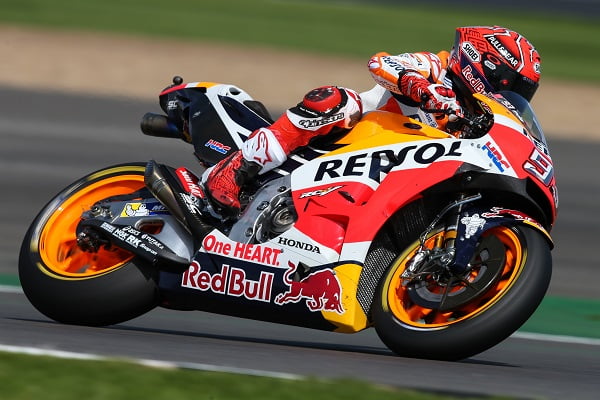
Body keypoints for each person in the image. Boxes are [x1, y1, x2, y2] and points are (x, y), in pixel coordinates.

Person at [203, 25, 541, 215]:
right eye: (509, 84)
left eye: (521, 93)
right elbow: (382, 63)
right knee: (337, 100)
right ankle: (232, 170)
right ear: (482, 62)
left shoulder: (481, 118)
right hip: (351, 140)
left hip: (390, 178)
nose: (510, 95)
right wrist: (421, 88)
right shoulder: (438, 67)